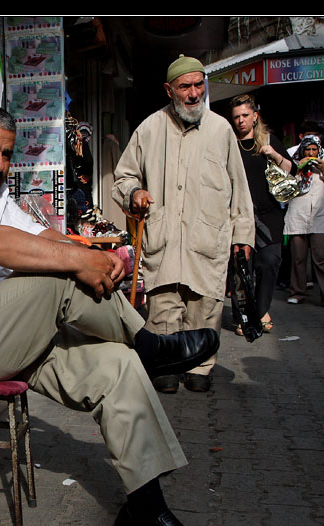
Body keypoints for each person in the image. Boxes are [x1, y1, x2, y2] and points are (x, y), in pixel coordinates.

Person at [0, 104, 224, 526]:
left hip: (11, 335)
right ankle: (148, 344)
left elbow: (48, 239)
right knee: (56, 273)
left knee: (116, 366)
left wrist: (99, 257)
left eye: (7, 154)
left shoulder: (0, 200)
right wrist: (75, 261)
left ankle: (145, 514)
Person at [112, 55, 255, 394]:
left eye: (198, 85)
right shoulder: (149, 128)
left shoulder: (221, 130)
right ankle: (165, 365)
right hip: (164, 239)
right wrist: (134, 193)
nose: (193, 93)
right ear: (169, 90)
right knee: (163, 306)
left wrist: (244, 236)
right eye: (185, 86)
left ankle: (201, 367)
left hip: (208, 239)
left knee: (205, 306)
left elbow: (239, 189)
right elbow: (123, 177)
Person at [229, 93, 297, 334]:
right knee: (241, 268)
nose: (240, 121)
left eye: (245, 115)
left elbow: (292, 170)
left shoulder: (268, 140)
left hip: (268, 215)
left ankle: (259, 310)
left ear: (255, 116)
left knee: (268, 264)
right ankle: (244, 317)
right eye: (236, 117)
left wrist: (275, 155)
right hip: (239, 215)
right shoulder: (229, 144)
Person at [283, 135, 324, 306]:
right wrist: (298, 170)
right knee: (298, 258)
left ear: (318, 150)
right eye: (307, 150)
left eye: (314, 150)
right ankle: (297, 292)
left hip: (320, 218)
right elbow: (284, 187)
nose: (310, 153)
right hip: (298, 218)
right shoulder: (293, 164)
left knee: (321, 258)